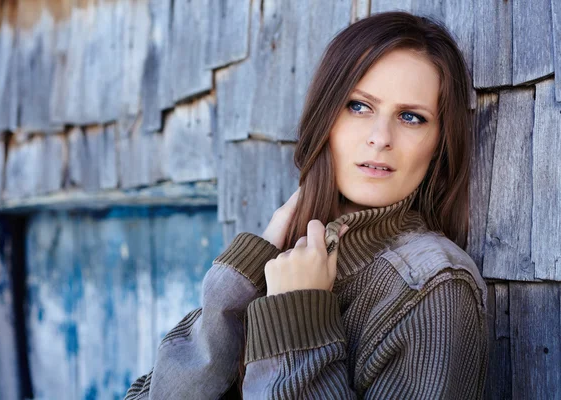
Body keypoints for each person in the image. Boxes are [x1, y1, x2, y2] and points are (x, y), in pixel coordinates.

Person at [125, 10, 489, 400]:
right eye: (359, 106)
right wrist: (238, 286)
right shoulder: (286, 258)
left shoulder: (433, 287)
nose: (380, 137)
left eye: (411, 117)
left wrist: (297, 316)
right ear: (325, 116)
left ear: (438, 145)